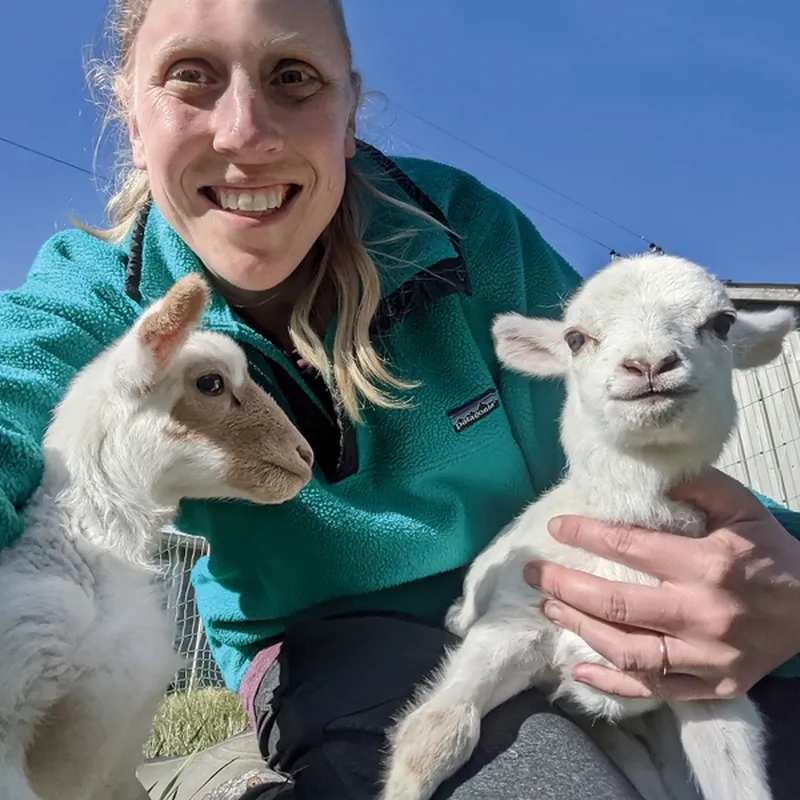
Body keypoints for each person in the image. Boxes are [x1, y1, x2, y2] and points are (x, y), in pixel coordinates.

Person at [2, 0, 799, 798]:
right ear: (132, 122)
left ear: (350, 112)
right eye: (189, 77)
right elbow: (12, 390)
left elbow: (627, 461)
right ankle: (216, 776)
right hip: (333, 641)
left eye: (293, 76)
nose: (246, 132)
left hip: (544, 592)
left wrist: (784, 587)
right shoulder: (114, 300)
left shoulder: (463, 234)